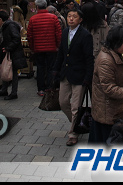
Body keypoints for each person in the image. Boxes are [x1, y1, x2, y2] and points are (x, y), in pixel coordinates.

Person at [51, 8, 95, 146]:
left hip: (80, 75)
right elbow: (61, 54)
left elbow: (89, 58)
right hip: (65, 73)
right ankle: (77, 124)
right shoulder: (65, 32)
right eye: (69, 16)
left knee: (76, 106)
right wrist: (55, 70)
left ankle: (73, 134)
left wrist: (88, 77)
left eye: (74, 17)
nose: (71, 19)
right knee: (63, 102)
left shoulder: (85, 35)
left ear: (80, 20)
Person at [90, 25, 123, 143]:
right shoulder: (106, 60)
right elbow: (109, 88)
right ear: (116, 42)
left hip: (112, 108)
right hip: (107, 110)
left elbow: (116, 77)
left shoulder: (114, 54)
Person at [27, 0, 62, 96]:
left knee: (40, 68)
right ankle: (50, 87)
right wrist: (58, 46)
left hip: (38, 48)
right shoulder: (53, 18)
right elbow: (58, 34)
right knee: (51, 68)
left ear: (37, 7)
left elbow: (29, 36)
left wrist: (32, 48)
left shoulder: (33, 19)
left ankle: (41, 89)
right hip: (52, 48)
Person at [0, 10, 28, 100]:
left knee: (13, 72)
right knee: (6, 70)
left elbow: (16, 38)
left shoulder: (9, 26)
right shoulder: (8, 25)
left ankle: (13, 93)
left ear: (0, 19)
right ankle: (4, 90)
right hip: (9, 52)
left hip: (13, 53)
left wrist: (8, 47)